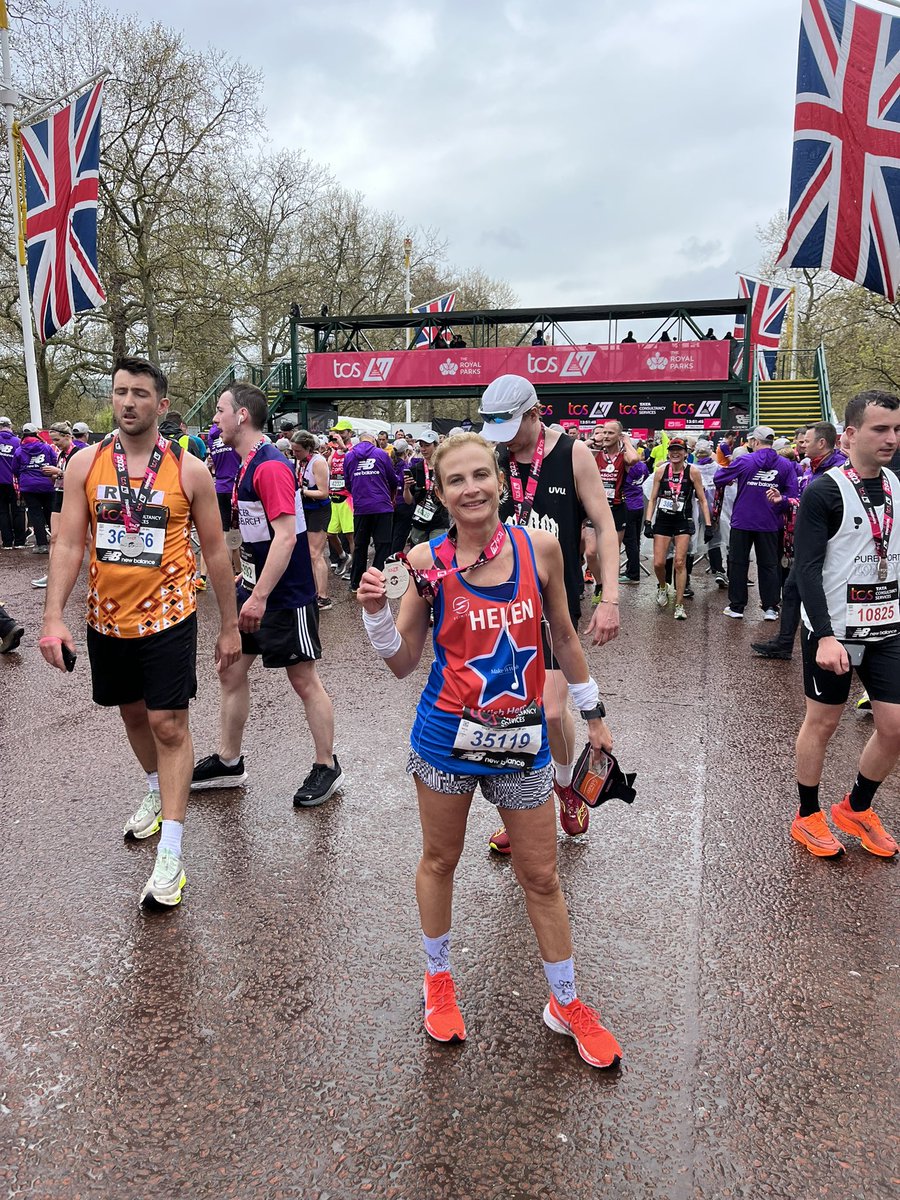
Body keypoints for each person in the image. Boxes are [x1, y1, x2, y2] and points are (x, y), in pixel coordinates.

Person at [358, 432, 622, 1067]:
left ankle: (565, 1001)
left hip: (522, 742)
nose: (471, 488)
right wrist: (374, 616)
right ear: (439, 491)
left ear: (501, 481)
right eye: (456, 479)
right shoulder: (424, 561)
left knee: (541, 875)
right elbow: (403, 661)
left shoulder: (540, 548)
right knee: (440, 860)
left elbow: (563, 636)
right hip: (445, 740)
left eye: (481, 474)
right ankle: (438, 979)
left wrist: (594, 715)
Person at [39, 356, 242, 908]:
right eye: (120, 392)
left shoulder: (189, 470)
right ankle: (156, 790)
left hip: (169, 616)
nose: (128, 402)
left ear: (162, 404)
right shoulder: (84, 464)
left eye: (140, 394)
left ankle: (171, 855)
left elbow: (216, 550)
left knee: (167, 724)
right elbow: (68, 543)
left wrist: (229, 626)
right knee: (132, 715)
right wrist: (53, 616)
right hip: (107, 618)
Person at [477, 375, 620, 853]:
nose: (505, 442)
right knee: (507, 714)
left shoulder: (574, 453)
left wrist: (610, 599)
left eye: (512, 429)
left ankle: (564, 787)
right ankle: (522, 812)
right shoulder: (493, 455)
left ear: (535, 413)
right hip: (500, 605)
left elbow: (605, 525)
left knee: (553, 710)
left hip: (554, 601)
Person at [191, 383, 344, 808]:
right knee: (229, 671)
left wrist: (257, 597)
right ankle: (228, 760)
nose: (215, 418)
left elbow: (285, 538)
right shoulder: (247, 463)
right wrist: (246, 587)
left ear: (241, 415)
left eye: (220, 410)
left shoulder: (271, 467)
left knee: (303, 679)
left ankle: (327, 764)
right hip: (255, 589)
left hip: (285, 597)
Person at [790, 390, 900, 859]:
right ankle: (807, 814)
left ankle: (856, 807)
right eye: (881, 429)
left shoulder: (895, 484)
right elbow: (806, 569)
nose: (891, 438)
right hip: (834, 629)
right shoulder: (824, 490)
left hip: (887, 625)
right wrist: (825, 635)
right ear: (851, 434)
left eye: (897, 429)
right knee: (823, 723)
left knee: (895, 726)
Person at [752, 422, 845, 661]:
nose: (800, 445)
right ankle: (784, 643)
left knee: (820, 593)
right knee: (792, 590)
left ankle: (834, 642)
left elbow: (821, 507)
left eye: (806, 441)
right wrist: (783, 501)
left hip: (829, 544)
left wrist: (789, 502)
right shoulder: (813, 467)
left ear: (821, 443)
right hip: (809, 541)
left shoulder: (838, 469)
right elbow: (804, 501)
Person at [714, 425, 798, 620]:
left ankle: (737, 607)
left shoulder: (745, 460)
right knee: (769, 564)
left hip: (743, 519)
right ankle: (770, 607)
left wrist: (733, 479)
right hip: (770, 521)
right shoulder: (786, 464)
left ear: (754, 442)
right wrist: (780, 499)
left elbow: (719, 478)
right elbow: (792, 494)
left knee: (738, 563)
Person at [645, 438, 712, 620]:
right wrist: (648, 521)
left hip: (683, 520)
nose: (675, 453)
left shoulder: (693, 471)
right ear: (668, 453)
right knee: (658, 563)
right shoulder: (661, 471)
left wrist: (708, 525)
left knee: (680, 562)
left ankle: (679, 604)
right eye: (672, 450)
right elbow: (653, 498)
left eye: (679, 450)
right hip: (663, 520)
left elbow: (702, 500)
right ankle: (663, 586)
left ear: (685, 453)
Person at [31, 421, 84, 589]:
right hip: (59, 495)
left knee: (87, 538)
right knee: (54, 538)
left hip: (75, 497)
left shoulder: (78, 454)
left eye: (57, 440)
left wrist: (58, 472)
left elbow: (81, 477)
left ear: (67, 437)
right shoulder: (60, 455)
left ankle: (99, 571)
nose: (55, 444)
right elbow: (58, 479)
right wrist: (51, 475)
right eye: (52, 440)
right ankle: (53, 574)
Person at [343, 431, 397, 590]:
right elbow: (393, 479)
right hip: (382, 506)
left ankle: (356, 583)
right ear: (373, 440)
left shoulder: (349, 456)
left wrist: (359, 494)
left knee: (360, 545)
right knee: (383, 545)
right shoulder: (381, 454)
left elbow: (348, 483)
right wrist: (389, 496)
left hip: (361, 507)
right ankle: (377, 580)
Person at [291, 428, 332, 609]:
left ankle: (323, 597)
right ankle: (313, 592)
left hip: (318, 510)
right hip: (305, 509)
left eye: (298, 450)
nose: (295, 454)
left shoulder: (318, 462)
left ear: (308, 448)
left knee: (316, 553)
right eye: (293, 450)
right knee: (307, 553)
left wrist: (302, 492)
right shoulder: (301, 461)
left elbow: (323, 492)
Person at [15, 422, 57, 553]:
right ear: (36, 434)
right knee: (51, 513)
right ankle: (58, 542)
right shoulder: (47, 447)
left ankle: (41, 545)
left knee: (36, 514)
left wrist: (25, 476)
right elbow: (54, 462)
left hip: (29, 487)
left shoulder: (19, 450)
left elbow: (15, 469)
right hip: (47, 484)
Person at [405, 430, 450, 546]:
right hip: (419, 522)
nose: (423, 449)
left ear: (436, 446)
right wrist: (406, 488)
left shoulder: (445, 468)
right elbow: (408, 501)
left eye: (427, 445)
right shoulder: (415, 469)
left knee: (437, 553)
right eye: (421, 446)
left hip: (440, 521)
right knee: (418, 554)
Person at [325, 422, 355, 576]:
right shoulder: (334, 451)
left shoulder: (353, 449)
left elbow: (355, 460)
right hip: (334, 497)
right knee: (330, 534)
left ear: (349, 433)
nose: (339, 435)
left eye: (342, 432)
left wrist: (343, 446)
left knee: (350, 535)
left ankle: (354, 567)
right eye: (337, 432)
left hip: (347, 498)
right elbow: (329, 468)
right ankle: (343, 557)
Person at [0, 415, 26, 549]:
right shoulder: (18, 442)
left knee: (2, 511)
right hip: (15, 481)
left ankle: (7, 542)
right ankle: (20, 541)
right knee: (18, 510)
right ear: (10, 426)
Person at [621, 458, 649, 582]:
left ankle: (633, 573)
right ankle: (631, 569)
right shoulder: (642, 466)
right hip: (639, 504)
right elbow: (646, 479)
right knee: (635, 540)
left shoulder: (626, 466)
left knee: (630, 541)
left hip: (628, 505)